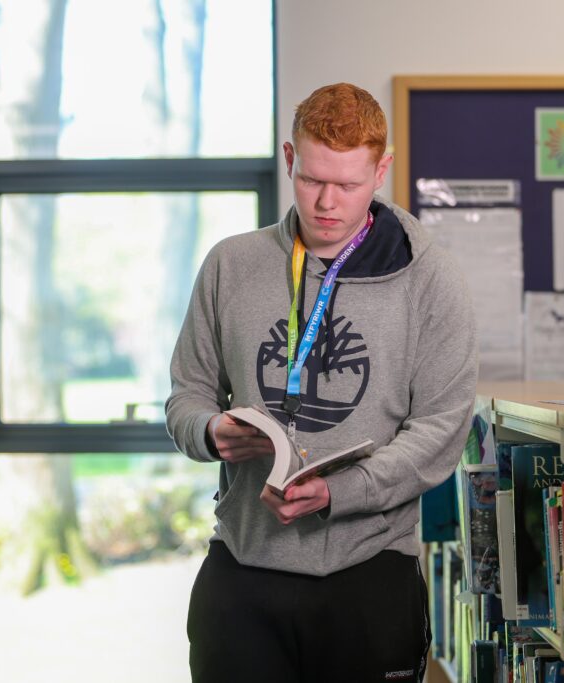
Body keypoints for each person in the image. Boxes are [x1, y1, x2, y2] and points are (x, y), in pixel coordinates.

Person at [165, 82, 477, 682]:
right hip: (243, 576)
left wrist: (345, 490)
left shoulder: (430, 278)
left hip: (370, 577)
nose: (327, 202)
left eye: (349, 185)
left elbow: (441, 429)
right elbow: (186, 395)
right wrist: (210, 432)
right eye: (311, 179)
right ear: (289, 159)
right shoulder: (230, 264)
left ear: (381, 169)